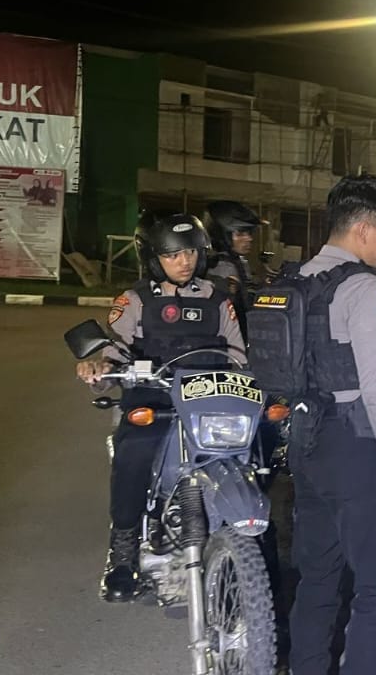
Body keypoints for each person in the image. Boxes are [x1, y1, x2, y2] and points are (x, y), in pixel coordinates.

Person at [284, 174, 376, 675]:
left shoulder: (297, 281)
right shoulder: (364, 288)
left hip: (306, 444)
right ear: (364, 230)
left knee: (317, 580)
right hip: (354, 448)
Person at [75, 213, 244, 602]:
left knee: (250, 449)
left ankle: (246, 547)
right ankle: (123, 551)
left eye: (190, 252)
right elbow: (113, 352)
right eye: (173, 255)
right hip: (153, 395)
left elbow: (237, 355)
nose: (184, 261)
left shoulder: (218, 298)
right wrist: (98, 368)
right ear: (154, 259)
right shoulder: (135, 300)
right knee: (134, 448)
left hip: (206, 397)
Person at [204, 200, 264, 336]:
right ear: (222, 235)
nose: (249, 238)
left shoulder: (237, 262)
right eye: (240, 233)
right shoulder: (222, 268)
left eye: (249, 233)